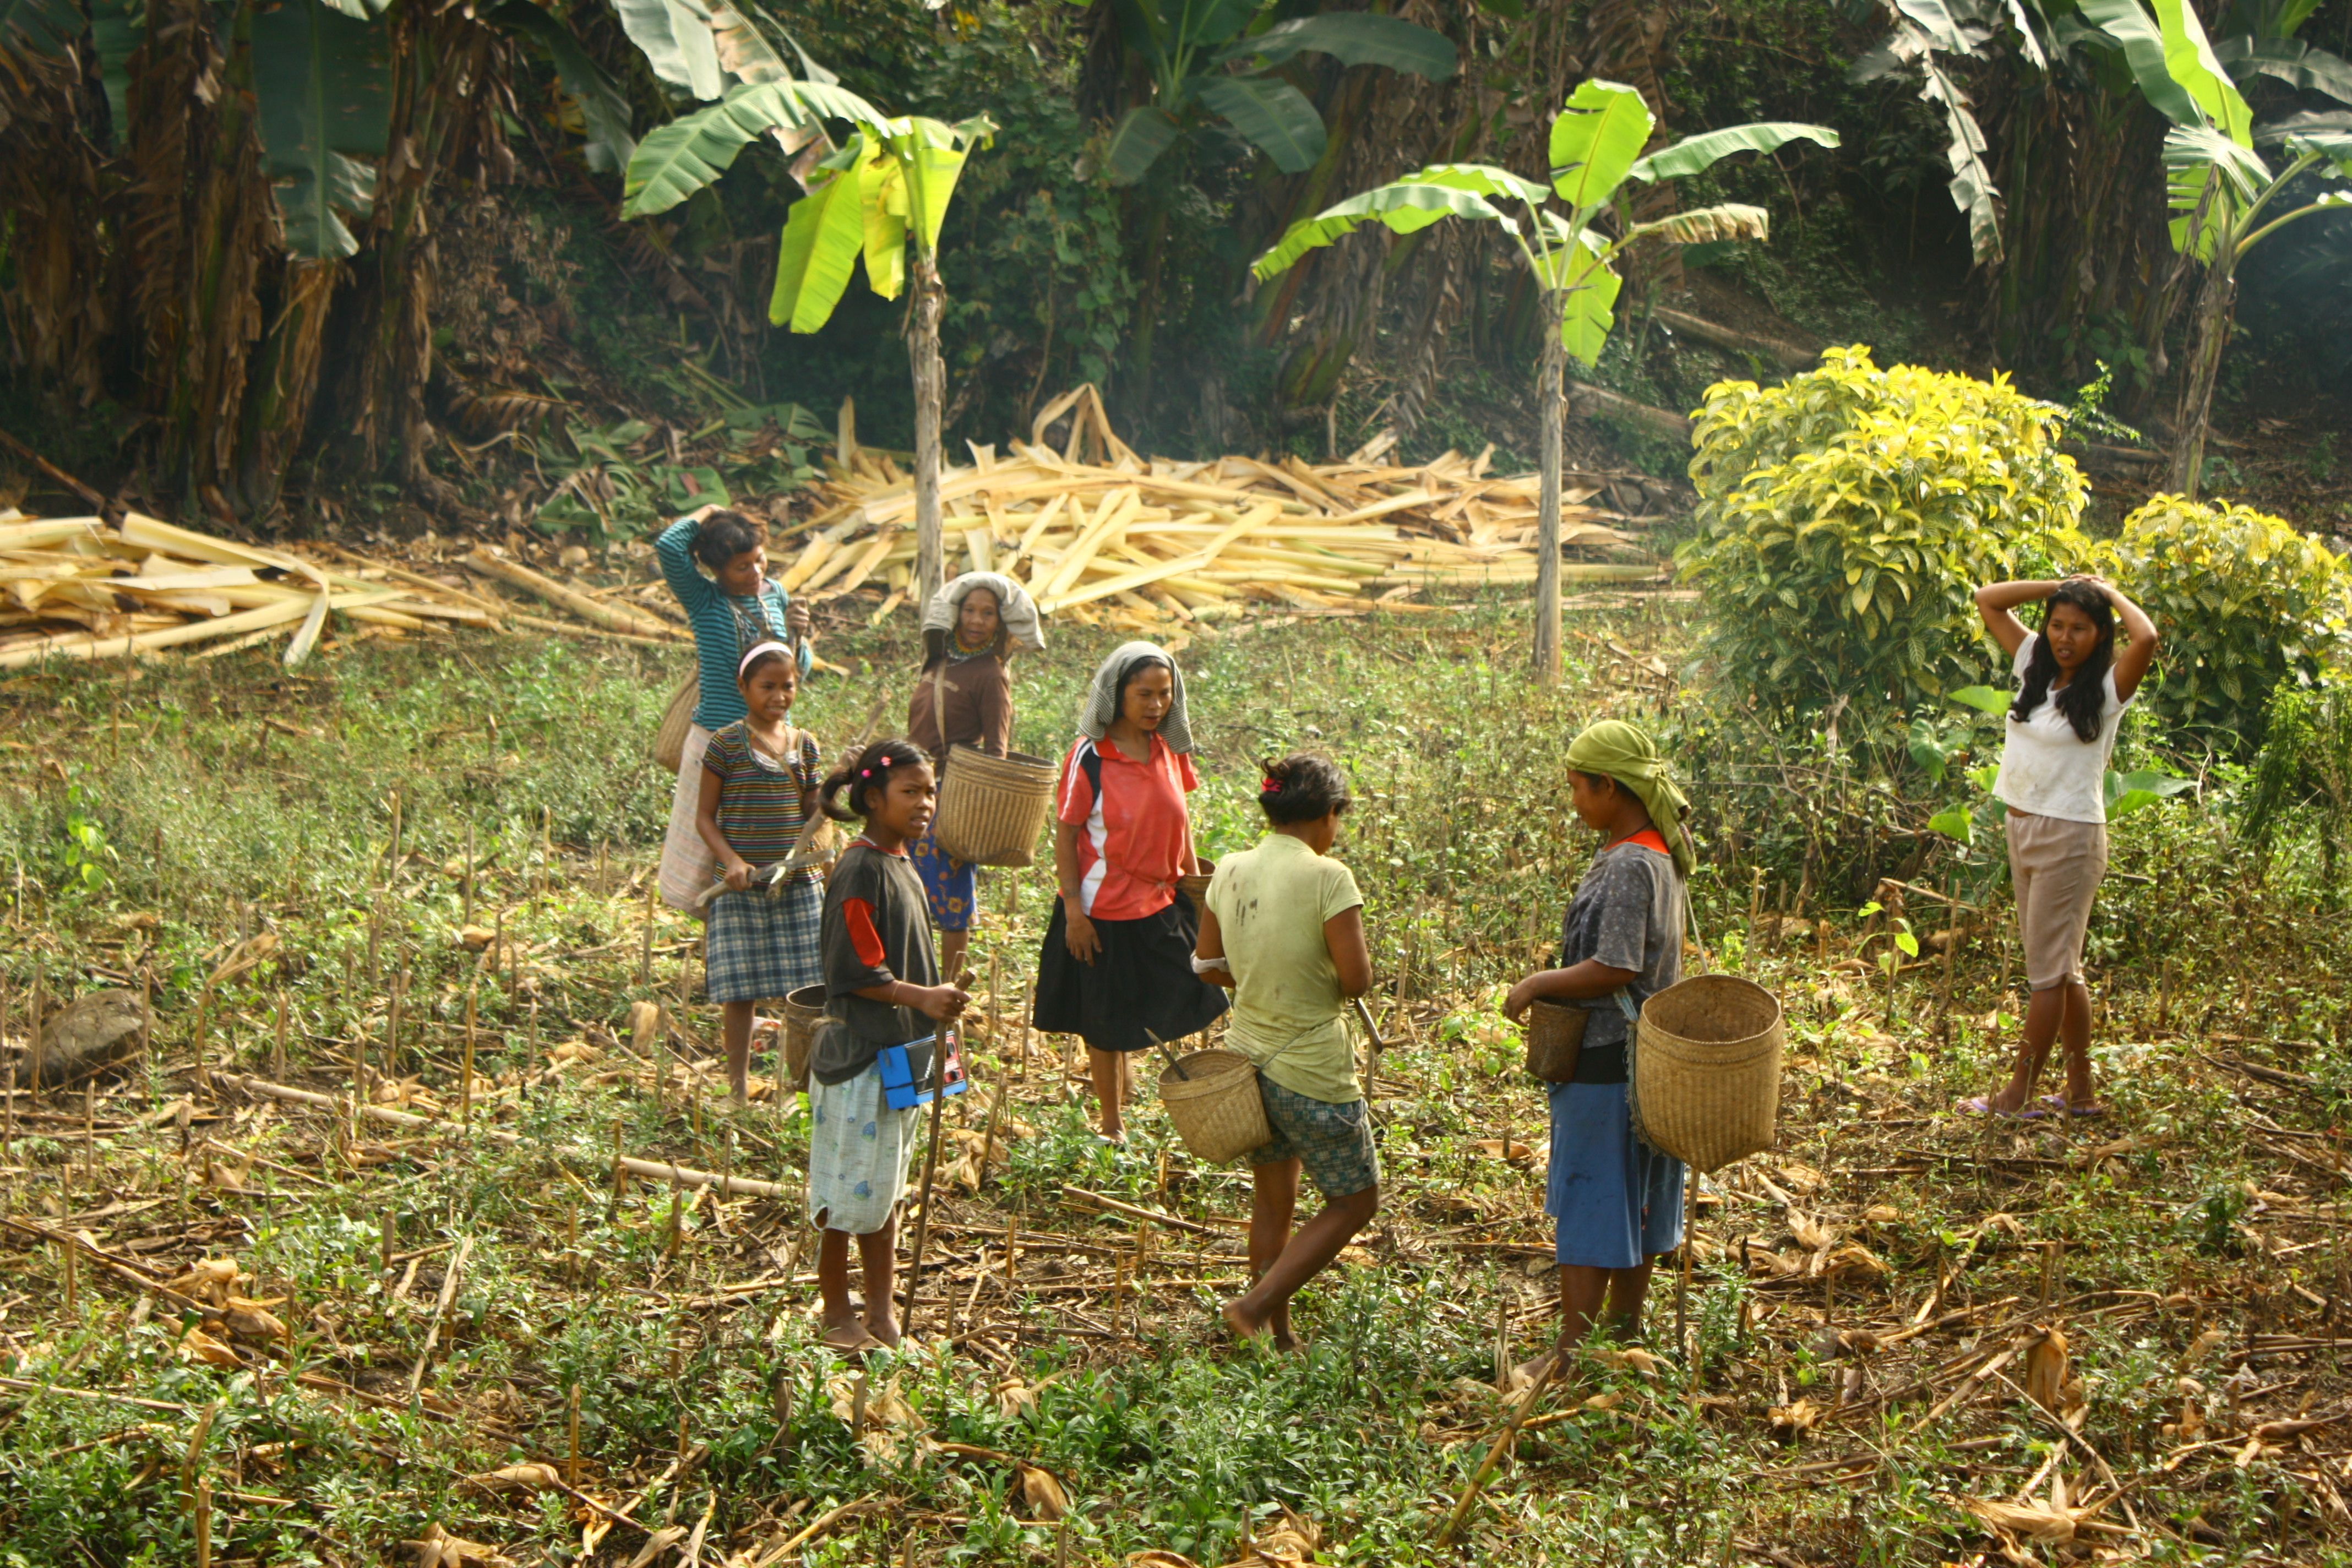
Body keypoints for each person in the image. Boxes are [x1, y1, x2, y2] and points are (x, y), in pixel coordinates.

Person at [1503, 719, 1694, 1367]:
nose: (1575, 802)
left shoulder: (1627, 864)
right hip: (1648, 1056)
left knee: (1591, 1194)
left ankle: (1571, 1349)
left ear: (1609, 787)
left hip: (1606, 1054)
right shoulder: (1659, 854)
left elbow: (1614, 967)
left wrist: (1536, 983)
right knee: (1635, 1196)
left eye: (1578, 789)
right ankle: (1622, 1329)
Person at [1194, 754, 1378, 1352]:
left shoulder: (1230, 867)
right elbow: (1356, 980)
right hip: (1311, 1068)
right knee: (1354, 1199)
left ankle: (1277, 1336)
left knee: (1274, 1198)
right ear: (1328, 815)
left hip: (1248, 1059)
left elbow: (1205, 964)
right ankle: (1253, 1307)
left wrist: (1257, 975)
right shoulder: (1329, 876)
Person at [1962, 575, 2158, 1119]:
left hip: (2069, 837)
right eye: (2057, 625)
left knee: (2046, 973)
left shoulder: (2109, 688)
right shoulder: (2033, 663)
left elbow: (2146, 638)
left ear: (2100, 634)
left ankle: (2017, 1094)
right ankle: (2081, 1092)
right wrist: (2064, 584)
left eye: (2079, 628)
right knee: (2063, 969)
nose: (2065, 637)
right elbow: (1988, 598)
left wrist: (2109, 592)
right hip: (2021, 830)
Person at [806, 738, 971, 1352]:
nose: (926, 803)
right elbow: (854, 971)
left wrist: (937, 1000)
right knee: (843, 1189)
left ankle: (881, 1309)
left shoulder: (901, 861)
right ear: (873, 799)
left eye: (931, 791)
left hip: (903, 1053)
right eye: (911, 792)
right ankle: (833, 1310)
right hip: (861, 1058)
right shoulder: (859, 868)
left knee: (886, 1188)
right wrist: (922, 997)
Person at [1033, 641, 1228, 1142]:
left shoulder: (1168, 748)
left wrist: (1193, 885)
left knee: (1197, 992)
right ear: (1117, 695)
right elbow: (1067, 834)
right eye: (1144, 695)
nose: (1156, 705)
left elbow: (1181, 819)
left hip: (1163, 899)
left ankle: (1143, 1083)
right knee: (1105, 1019)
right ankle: (1111, 1123)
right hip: (1104, 909)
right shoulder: (1089, 758)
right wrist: (1074, 911)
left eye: (1165, 695)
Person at [656, 507, 814, 914]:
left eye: (760, 560)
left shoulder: (775, 595)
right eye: (742, 567)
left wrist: (801, 635)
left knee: (766, 839)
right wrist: (710, 511)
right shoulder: (704, 599)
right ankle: (717, 928)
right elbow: (669, 548)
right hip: (717, 739)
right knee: (711, 852)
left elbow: (798, 668)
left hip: (774, 740)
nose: (756, 572)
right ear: (718, 571)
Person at [693, 642, 824, 1103]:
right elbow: (705, 817)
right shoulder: (726, 744)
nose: (779, 695)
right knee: (740, 991)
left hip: (797, 882)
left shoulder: (805, 744)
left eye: (787, 686)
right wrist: (732, 862)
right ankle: (738, 1089)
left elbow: (814, 809)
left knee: (807, 991)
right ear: (743, 688)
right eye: (767, 686)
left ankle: (800, 1088)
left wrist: (835, 788)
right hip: (740, 887)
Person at [906, 572, 1046, 981]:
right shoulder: (939, 659)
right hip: (916, 788)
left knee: (951, 902)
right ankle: (913, 980)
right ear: (955, 613)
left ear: (1001, 622)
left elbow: (995, 753)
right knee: (906, 891)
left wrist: (975, 809)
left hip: (953, 795)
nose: (977, 620)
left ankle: (949, 989)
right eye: (969, 610)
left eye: (988, 613)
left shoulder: (991, 674)